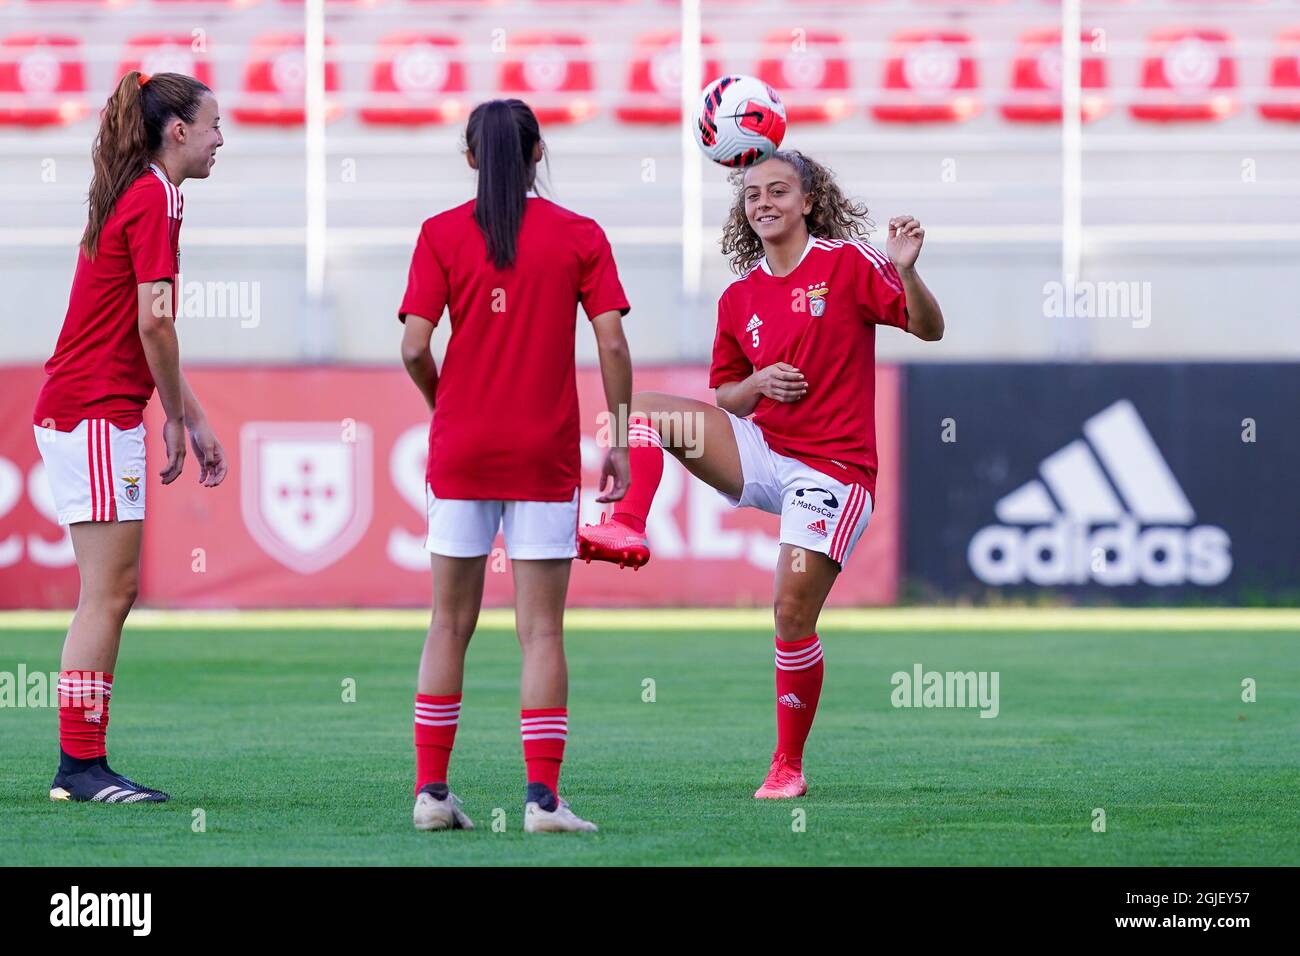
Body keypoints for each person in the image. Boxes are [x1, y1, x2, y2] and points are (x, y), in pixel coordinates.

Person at [578, 149, 944, 798]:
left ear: (809, 201)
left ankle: (788, 765)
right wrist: (757, 382)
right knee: (640, 408)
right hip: (761, 448)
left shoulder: (849, 265)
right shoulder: (740, 296)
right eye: (753, 195)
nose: (764, 203)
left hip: (832, 472)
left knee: (788, 613)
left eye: (779, 191)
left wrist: (908, 273)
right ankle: (627, 529)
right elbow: (726, 397)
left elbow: (928, 329)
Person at [399, 99, 633, 833]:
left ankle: (432, 794)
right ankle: (541, 800)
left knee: (448, 624)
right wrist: (620, 438)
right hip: (543, 450)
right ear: (538, 154)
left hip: (462, 447)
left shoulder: (439, 233)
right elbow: (615, 347)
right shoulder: (579, 235)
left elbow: (412, 346)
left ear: (470, 158)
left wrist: (448, 407)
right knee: (541, 633)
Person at [33, 71, 227, 803]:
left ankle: (80, 764)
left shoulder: (149, 193)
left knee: (111, 590)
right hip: (91, 411)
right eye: (213, 126)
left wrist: (191, 415)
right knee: (106, 593)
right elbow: (155, 322)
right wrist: (176, 417)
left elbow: (147, 327)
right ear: (176, 131)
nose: (220, 141)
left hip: (93, 408)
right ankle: (79, 767)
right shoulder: (154, 198)